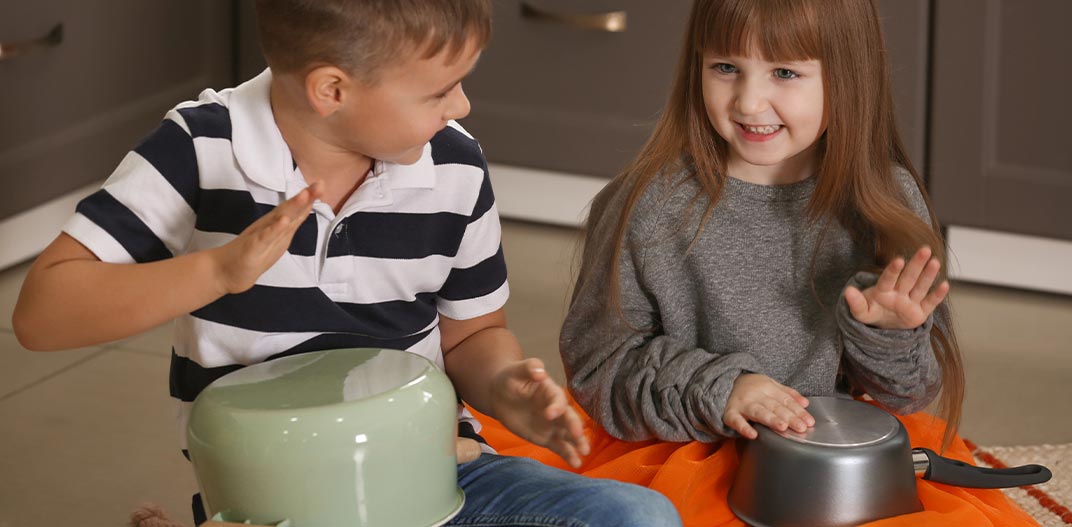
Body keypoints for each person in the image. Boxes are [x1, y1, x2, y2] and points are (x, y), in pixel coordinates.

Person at [12, 1, 680, 526]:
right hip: (277, 499)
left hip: (435, 473)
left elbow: (473, 333)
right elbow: (42, 315)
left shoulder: (454, 163)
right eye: (440, 90)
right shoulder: (201, 146)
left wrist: (508, 388)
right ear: (332, 88)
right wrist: (216, 273)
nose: (462, 106)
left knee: (639, 515)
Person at [561, 0, 964, 451]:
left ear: (850, 76)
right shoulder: (649, 206)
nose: (749, 102)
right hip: (692, 452)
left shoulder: (889, 201)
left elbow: (909, 395)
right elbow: (599, 369)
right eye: (726, 67)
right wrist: (723, 389)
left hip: (830, 458)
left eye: (785, 73)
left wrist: (887, 337)